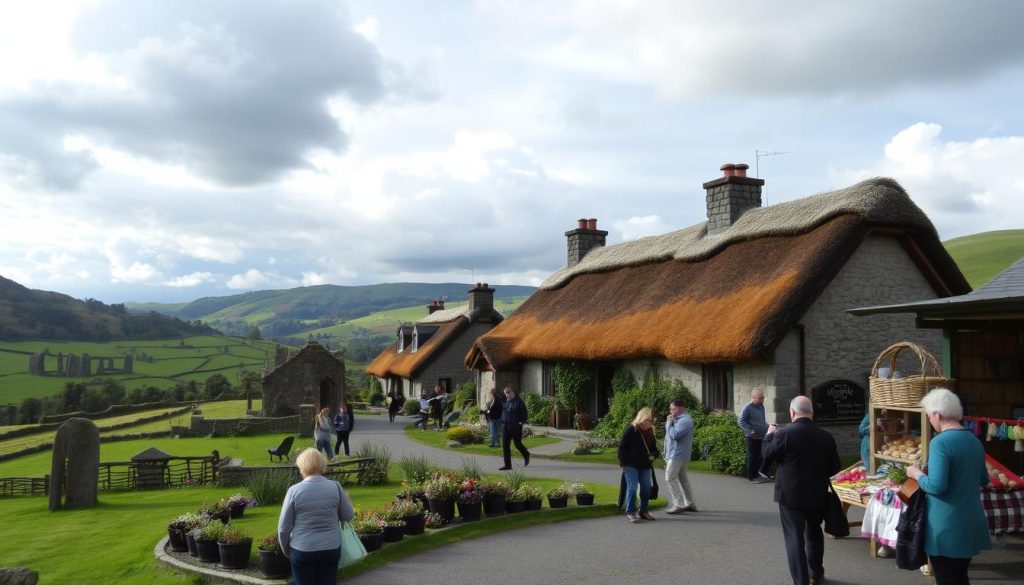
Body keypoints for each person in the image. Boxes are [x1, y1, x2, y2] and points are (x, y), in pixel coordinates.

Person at [906, 388, 991, 585]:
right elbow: (983, 479)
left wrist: (916, 474)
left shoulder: (940, 442)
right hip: (971, 523)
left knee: (948, 579)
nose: (929, 420)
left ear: (937, 413)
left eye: (929, 416)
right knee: (960, 577)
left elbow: (937, 486)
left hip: (947, 527)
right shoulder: (974, 440)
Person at [762, 395, 840, 585]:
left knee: (794, 538)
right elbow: (834, 467)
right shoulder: (825, 436)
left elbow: (766, 455)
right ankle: (816, 573)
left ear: (792, 412)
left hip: (790, 496)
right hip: (816, 494)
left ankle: (801, 581)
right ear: (811, 413)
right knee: (813, 532)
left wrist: (768, 435)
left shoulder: (784, 434)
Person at [278, 448, 355, 585]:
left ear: (302, 467)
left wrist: (285, 549)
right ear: (322, 464)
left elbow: (284, 528)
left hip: (302, 548)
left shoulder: (294, 491)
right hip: (331, 547)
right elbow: (348, 516)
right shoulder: (335, 487)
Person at [618, 406, 660, 522]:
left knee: (646, 488)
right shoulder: (632, 429)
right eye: (649, 420)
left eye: (652, 420)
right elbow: (622, 447)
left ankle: (643, 511)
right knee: (632, 488)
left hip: (645, 464)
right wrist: (622, 463)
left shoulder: (650, 432)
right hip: (630, 464)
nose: (651, 423)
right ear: (643, 418)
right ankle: (630, 512)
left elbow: (654, 449)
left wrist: (654, 455)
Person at [664, 399, 697, 514]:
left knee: (670, 477)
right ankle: (690, 503)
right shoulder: (679, 419)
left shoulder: (684, 420)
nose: (670, 411)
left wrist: (669, 423)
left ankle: (678, 504)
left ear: (680, 408)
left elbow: (674, 435)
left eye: (672, 408)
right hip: (679, 454)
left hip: (677, 455)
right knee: (683, 479)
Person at [739, 387, 773, 482]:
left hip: (761, 436)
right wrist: (750, 430)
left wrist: (769, 427)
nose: (763, 400)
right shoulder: (747, 408)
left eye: (763, 398)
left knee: (760, 456)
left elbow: (761, 421)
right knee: (752, 457)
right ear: (754, 398)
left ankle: (757, 475)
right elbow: (741, 421)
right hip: (752, 437)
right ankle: (751, 477)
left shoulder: (761, 407)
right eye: (760, 398)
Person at [499, 386, 530, 470]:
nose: (507, 394)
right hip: (505, 426)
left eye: (508, 392)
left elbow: (524, 413)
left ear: (513, 392)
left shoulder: (519, 402)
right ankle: (508, 465)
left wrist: (521, 422)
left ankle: (526, 454)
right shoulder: (506, 402)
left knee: (517, 444)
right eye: (505, 393)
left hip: (515, 427)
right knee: (505, 446)